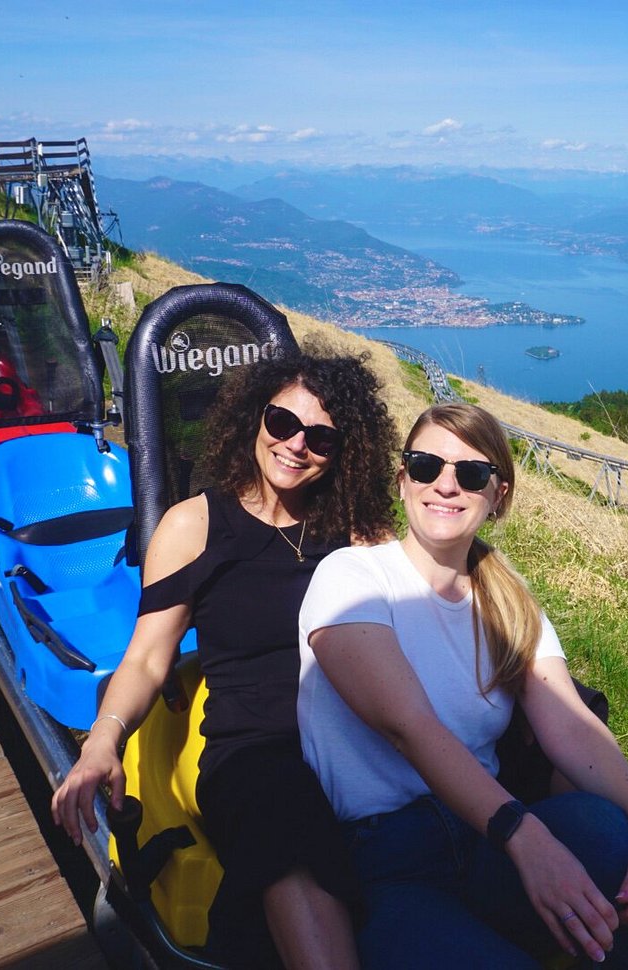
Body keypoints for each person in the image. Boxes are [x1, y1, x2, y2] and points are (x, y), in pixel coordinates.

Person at [297, 402, 628, 970]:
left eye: (471, 473)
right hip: (391, 867)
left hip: (485, 846)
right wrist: (524, 834)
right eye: (426, 466)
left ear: (498, 495)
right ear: (402, 480)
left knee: (602, 828)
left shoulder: (509, 605)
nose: (446, 485)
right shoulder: (353, 578)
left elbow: (571, 726)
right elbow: (408, 726)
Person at [52, 350, 397, 970]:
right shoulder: (195, 525)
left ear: (343, 451)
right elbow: (148, 657)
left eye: (321, 437)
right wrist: (102, 740)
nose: (296, 445)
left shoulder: (353, 528)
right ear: (255, 418)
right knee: (284, 823)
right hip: (255, 745)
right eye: (282, 422)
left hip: (349, 735)